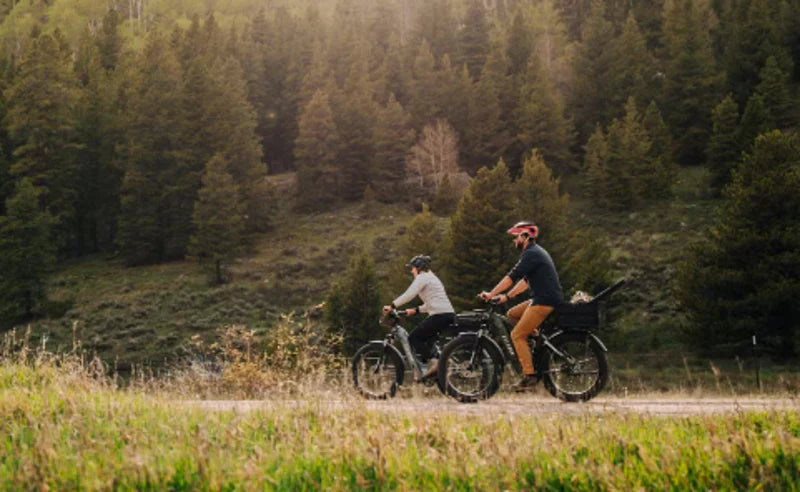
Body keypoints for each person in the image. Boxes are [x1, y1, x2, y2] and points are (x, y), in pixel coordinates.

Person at [479, 221, 564, 391]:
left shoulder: (531, 253)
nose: (514, 241)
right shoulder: (534, 253)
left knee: (517, 335)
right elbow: (525, 281)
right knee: (512, 314)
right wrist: (507, 296)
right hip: (542, 298)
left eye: (516, 237)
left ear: (525, 237)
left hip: (545, 300)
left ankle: (529, 375)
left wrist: (491, 294)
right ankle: (537, 342)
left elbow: (512, 277)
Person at [383, 255, 455, 379]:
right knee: (427, 341)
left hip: (440, 315)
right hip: (446, 314)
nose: (411, 271)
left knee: (414, 338)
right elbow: (431, 303)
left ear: (419, 268)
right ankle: (439, 364)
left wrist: (392, 306)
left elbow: (410, 294)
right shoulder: (432, 277)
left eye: (412, 268)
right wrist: (415, 310)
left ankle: (438, 362)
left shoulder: (422, 277)